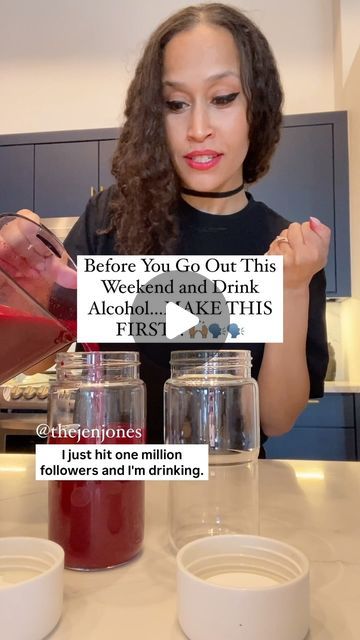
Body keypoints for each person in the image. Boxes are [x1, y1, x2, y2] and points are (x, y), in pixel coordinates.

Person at [5, 3, 330, 455]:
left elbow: (275, 419)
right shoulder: (109, 219)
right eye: (175, 104)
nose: (198, 129)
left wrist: (292, 288)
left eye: (222, 98)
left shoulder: (289, 249)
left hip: (224, 489)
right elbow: (42, 357)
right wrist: (25, 285)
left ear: (260, 104)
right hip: (113, 483)